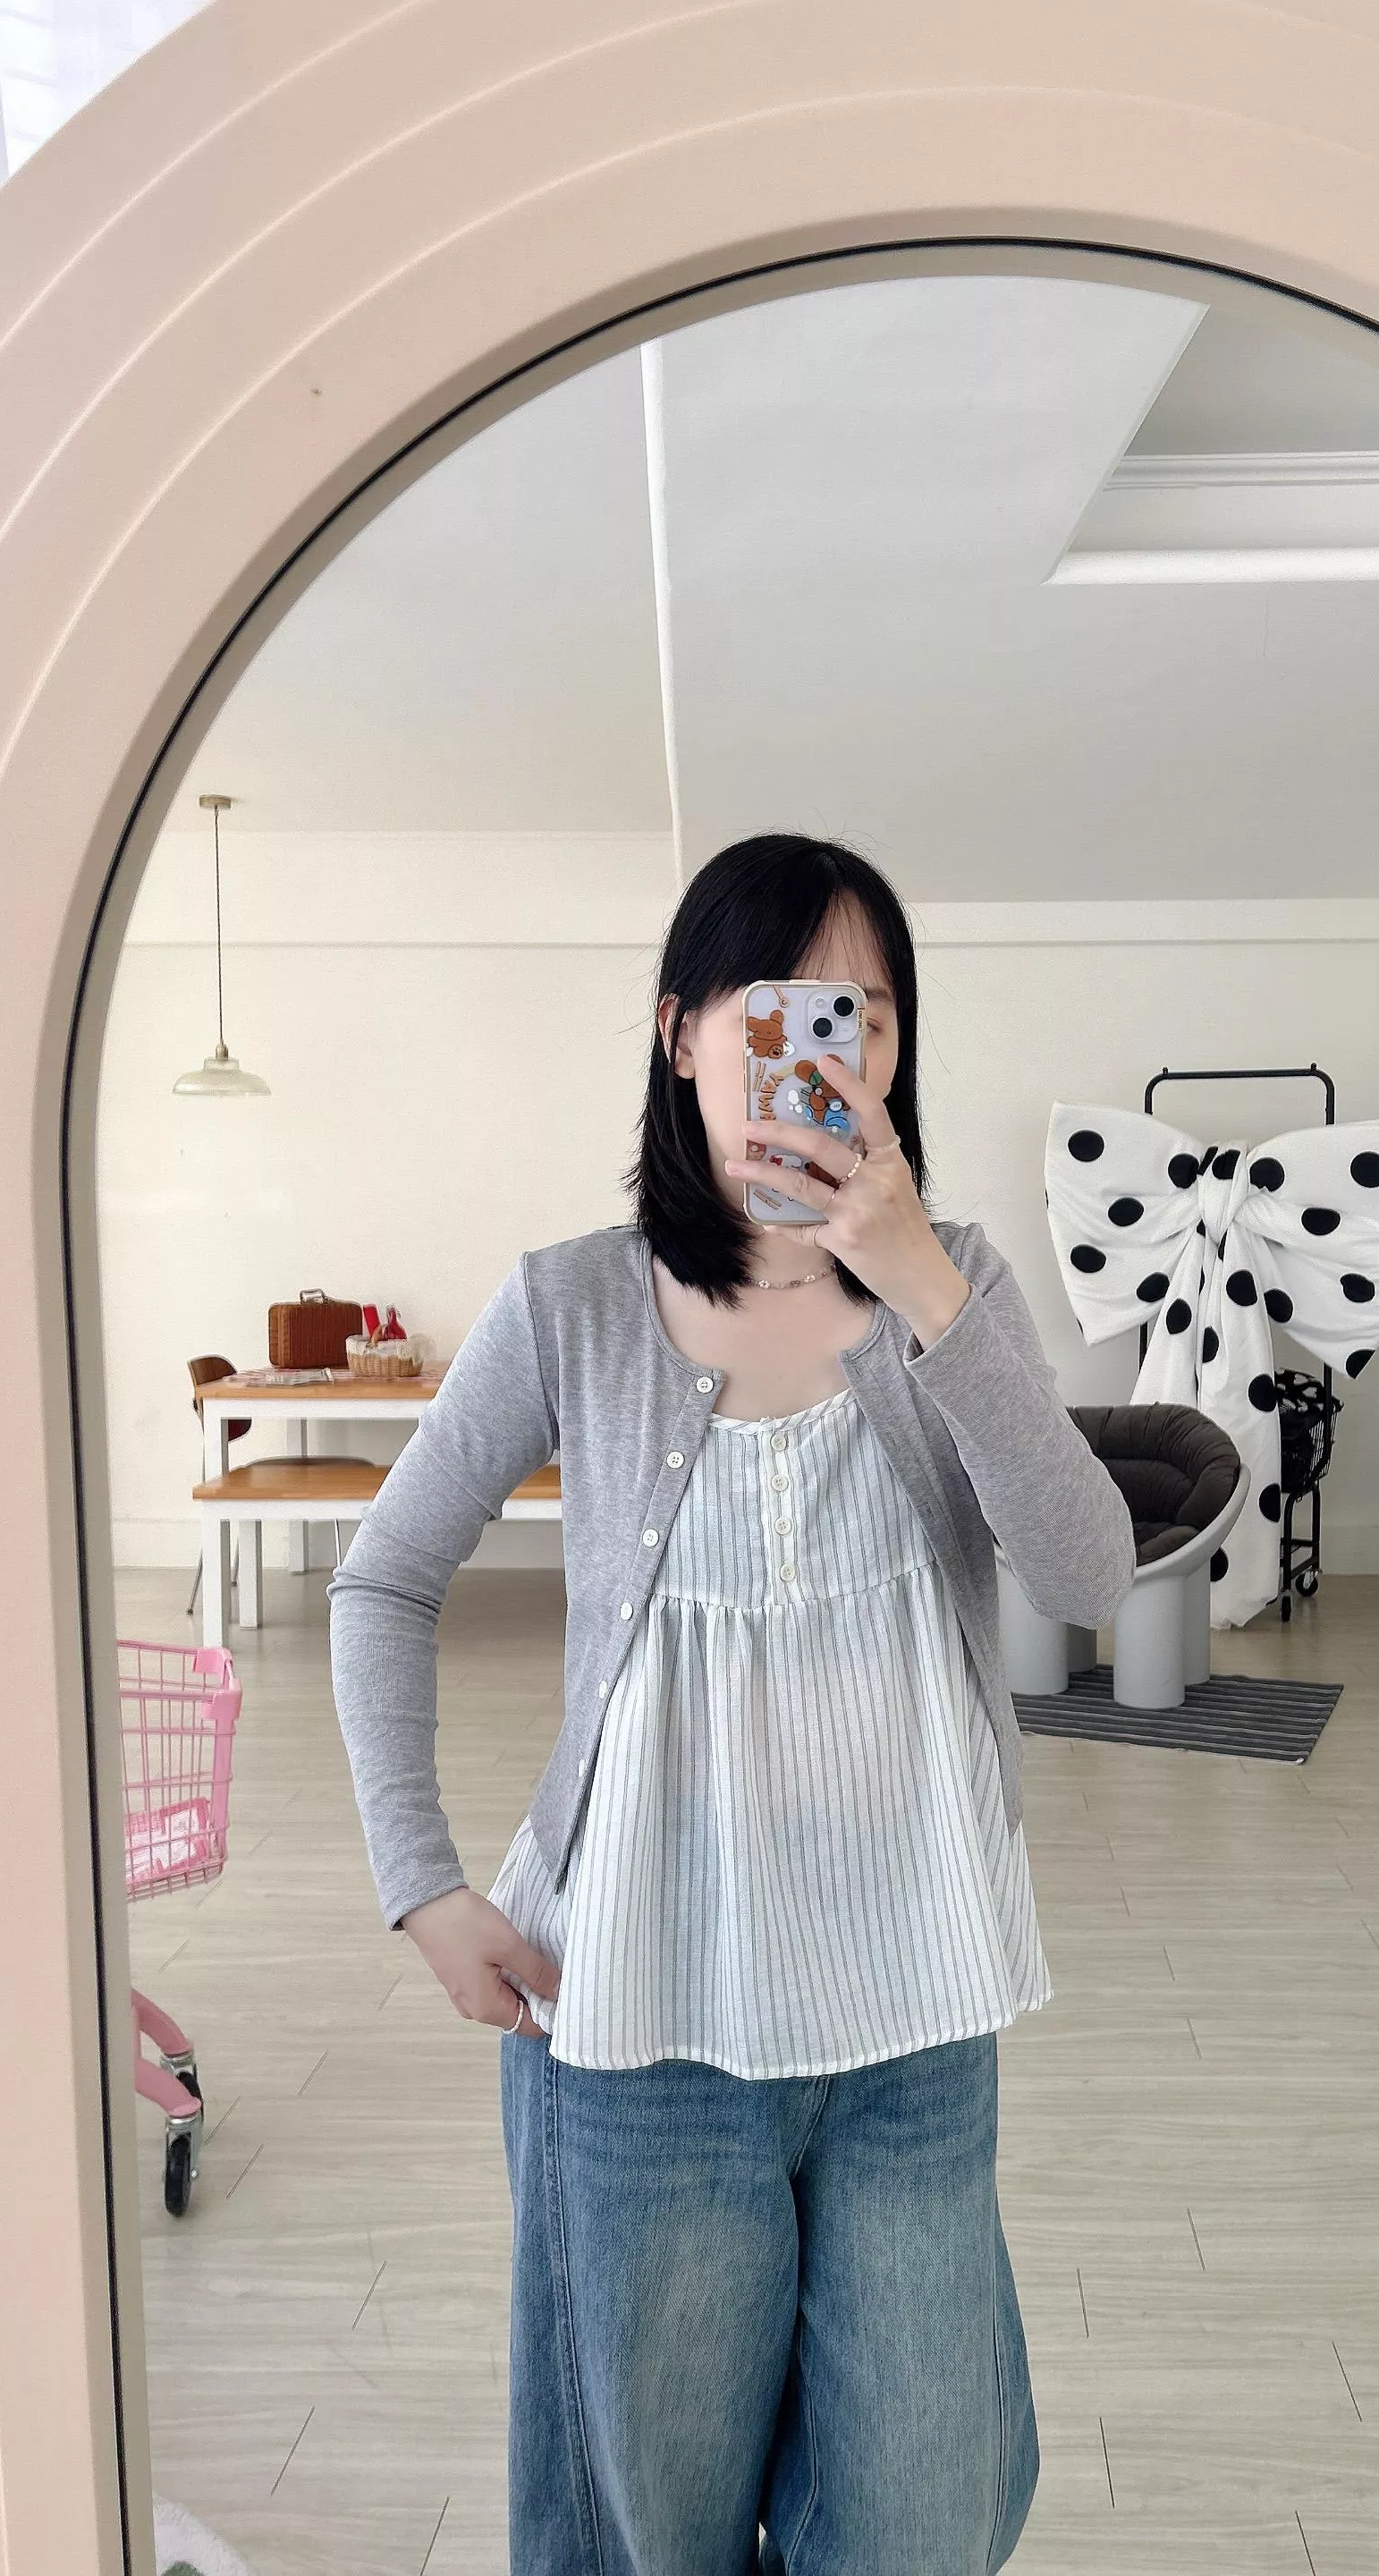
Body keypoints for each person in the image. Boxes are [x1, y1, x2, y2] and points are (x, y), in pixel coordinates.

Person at [328, 833, 1138, 2575]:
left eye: (867, 1014)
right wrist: (422, 1881)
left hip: (913, 2008)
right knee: (652, 2527)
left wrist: (922, 1282)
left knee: (919, 2520)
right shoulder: (572, 1304)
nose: (828, 1049)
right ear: (684, 1030)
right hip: (637, 2017)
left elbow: (1088, 1576)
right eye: (781, 1008)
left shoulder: (957, 1285)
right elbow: (383, 1579)